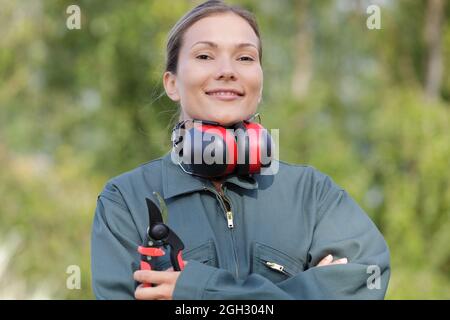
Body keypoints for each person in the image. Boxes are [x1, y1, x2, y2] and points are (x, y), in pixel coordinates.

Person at [91, 0, 390, 300]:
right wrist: (309, 290)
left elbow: (365, 281)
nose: (227, 71)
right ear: (172, 84)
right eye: (205, 55)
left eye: (245, 58)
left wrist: (199, 292)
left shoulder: (313, 195)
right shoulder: (125, 201)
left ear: (259, 85)